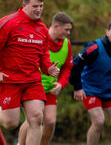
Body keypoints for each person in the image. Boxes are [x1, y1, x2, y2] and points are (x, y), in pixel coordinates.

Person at [0, 0, 60, 145]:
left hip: (32, 80)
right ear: (24, 5)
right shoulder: (8, 23)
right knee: (11, 123)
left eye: (41, 6)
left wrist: (48, 68)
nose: (39, 10)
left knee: (37, 118)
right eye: (35, 6)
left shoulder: (42, 29)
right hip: (9, 79)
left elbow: (44, 55)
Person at [69, 18, 111, 145]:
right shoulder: (94, 48)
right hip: (90, 90)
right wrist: (77, 87)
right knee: (99, 122)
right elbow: (75, 65)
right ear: (107, 32)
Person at [18, 12, 74, 145]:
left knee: (50, 121)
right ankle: (20, 143)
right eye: (66, 29)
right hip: (33, 86)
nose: (69, 33)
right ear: (56, 26)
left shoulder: (67, 44)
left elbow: (67, 68)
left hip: (50, 89)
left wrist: (61, 83)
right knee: (33, 120)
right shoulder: (38, 38)